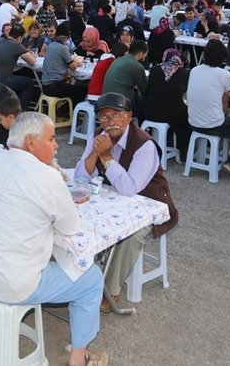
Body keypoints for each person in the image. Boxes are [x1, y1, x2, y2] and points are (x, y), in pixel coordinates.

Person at [0, 112, 109, 366]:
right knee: (91, 278)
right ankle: (78, 358)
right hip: (11, 283)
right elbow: (70, 226)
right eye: (51, 139)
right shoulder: (47, 177)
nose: (57, 145)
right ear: (30, 142)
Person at [74, 93, 178, 313]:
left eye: (116, 115)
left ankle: (111, 291)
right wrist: (95, 151)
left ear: (129, 116)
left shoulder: (144, 144)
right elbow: (81, 177)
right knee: (78, 215)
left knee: (130, 235)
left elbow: (130, 188)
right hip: (113, 198)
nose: (109, 122)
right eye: (103, 117)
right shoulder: (99, 137)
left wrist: (106, 158)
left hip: (148, 204)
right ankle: (81, 277)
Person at [187, 39, 230, 178]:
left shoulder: (194, 70)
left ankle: (211, 151)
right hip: (214, 125)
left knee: (217, 116)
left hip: (193, 122)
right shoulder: (224, 74)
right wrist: (227, 94)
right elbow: (226, 103)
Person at [142, 48, 191, 155]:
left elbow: (147, 92)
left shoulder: (154, 70)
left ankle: (165, 139)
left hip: (151, 112)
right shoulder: (184, 73)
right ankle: (183, 149)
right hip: (173, 114)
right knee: (187, 118)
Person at [0, 24, 37, 109]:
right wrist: (33, 55)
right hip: (3, 80)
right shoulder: (16, 45)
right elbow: (32, 62)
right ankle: (22, 110)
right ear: (20, 38)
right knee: (29, 82)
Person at [41, 23, 87, 105]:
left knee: (72, 89)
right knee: (83, 90)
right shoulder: (63, 48)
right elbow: (73, 67)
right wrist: (77, 61)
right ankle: (66, 112)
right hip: (55, 87)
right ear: (67, 38)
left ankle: (64, 110)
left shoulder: (50, 45)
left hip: (45, 85)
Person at [102, 39, 148, 109]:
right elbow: (144, 90)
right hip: (120, 102)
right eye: (145, 55)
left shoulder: (118, 60)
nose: (144, 58)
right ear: (140, 54)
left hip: (105, 99)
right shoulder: (138, 66)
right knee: (143, 101)